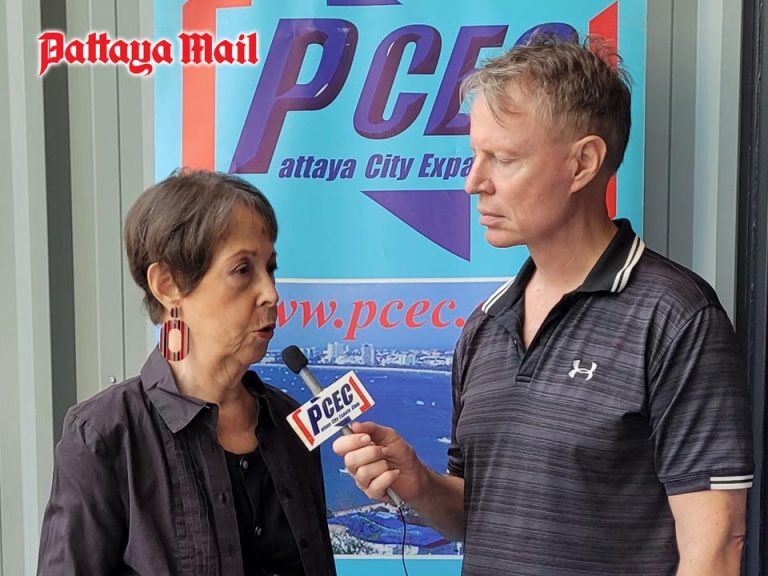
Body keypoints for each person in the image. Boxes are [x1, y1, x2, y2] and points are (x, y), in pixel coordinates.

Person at [333, 37, 753, 576]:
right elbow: (479, 515)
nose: (473, 183)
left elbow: (715, 548)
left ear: (583, 163)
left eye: (503, 159)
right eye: (475, 155)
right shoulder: (484, 327)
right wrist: (420, 485)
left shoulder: (677, 318)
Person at [38, 170, 336, 575]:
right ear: (168, 284)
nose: (271, 293)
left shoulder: (290, 423)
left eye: (270, 268)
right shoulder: (104, 436)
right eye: (243, 270)